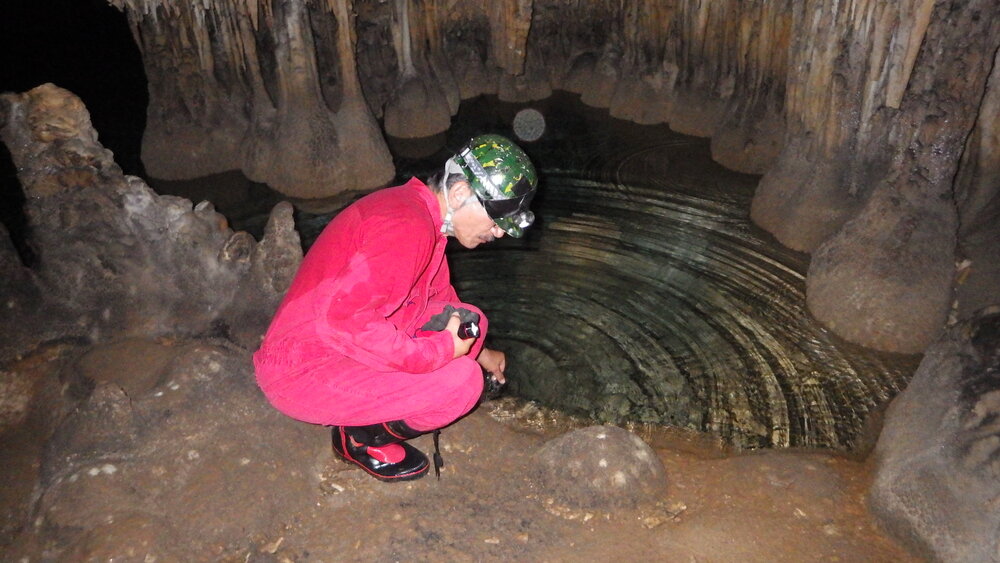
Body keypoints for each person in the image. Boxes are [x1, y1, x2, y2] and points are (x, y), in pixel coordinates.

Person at [253, 134, 538, 482]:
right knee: (461, 384)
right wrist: (440, 352)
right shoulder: (405, 227)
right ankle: (360, 437)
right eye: (496, 220)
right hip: (304, 369)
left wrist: (480, 352)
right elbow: (346, 322)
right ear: (460, 193)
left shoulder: (420, 216)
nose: (499, 233)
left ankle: (392, 396)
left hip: (333, 346)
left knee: (469, 321)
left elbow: (438, 301)